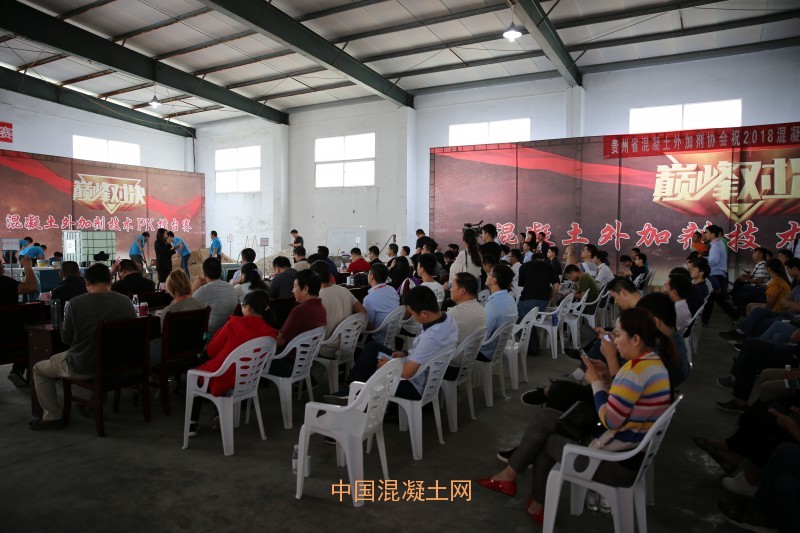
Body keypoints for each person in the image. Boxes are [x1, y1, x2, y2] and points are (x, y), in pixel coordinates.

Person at [478, 307, 674, 523]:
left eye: (618, 335)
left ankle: (529, 495)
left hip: (614, 465)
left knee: (546, 439)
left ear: (635, 339)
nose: (614, 341)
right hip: (629, 454)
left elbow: (610, 420)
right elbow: (624, 402)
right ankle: (516, 483)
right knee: (545, 418)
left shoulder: (634, 373)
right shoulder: (652, 364)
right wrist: (607, 378)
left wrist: (596, 382)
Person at [30, 264, 136, 430]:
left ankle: (52, 416)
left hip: (83, 365)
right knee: (83, 353)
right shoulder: (125, 302)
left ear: (86, 282)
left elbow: (66, 338)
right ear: (110, 280)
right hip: (117, 364)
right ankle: (93, 402)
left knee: (38, 369)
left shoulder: (75, 304)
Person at [325, 285, 458, 403]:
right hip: (420, 370)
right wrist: (405, 353)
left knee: (373, 368)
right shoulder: (447, 320)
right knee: (372, 348)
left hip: (412, 384)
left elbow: (406, 373)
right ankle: (352, 390)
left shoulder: (431, 337)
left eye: (413, 314)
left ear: (424, 313)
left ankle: (354, 393)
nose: (413, 317)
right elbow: (426, 352)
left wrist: (387, 365)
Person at [186, 290, 278, 436]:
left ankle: (192, 423)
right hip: (249, 379)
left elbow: (211, 350)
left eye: (243, 304)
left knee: (196, 374)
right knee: (217, 368)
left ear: (249, 308)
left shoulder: (234, 324)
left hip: (223, 377)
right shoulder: (271, 333)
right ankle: (219, 414)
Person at [268, 270, 327, 377]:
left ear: (305, 289)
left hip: (290, 363)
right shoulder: (321, 308)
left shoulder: (300, 310)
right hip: (307, 361)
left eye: (295, 286)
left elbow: (280, 341)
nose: (292, 290)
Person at [311, 261, 366, 356]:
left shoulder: (317, 298)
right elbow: (363, 312)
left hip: (327, 348)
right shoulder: (344, 290)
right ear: (330, 275)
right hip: (348, 344)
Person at [2, 255, 40, 386]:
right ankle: (17, 369)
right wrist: (27, 266)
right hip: (12, 340)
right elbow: (32, 287)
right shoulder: (4, 283)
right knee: (32, 336)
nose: (3, 267)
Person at [445, 272, 486, 378]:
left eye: (452, 286)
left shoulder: (455, 313)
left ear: (462, 291)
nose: (450, 289)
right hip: (468, 361)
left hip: (451, 364)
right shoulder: (481, 309)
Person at [517, 252, 560, 355]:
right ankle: (534, 346)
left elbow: (522, 286)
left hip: (527, 299)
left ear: (532, 259)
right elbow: (556, 287)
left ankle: (530, 348)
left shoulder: (524, 266)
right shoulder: (549, 266)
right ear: (542, 259)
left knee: (520, 321)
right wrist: (549, 298)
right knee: (530, 321)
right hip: (543, 301)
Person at [478, 264, 517, 361]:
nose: (487, 275)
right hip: (497, 349)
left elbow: (484, 335)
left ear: (494, 280)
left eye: (490, 274)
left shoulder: (493, 304)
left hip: (485, 352)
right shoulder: (510, 298)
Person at [191, 257, 238, 334]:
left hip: (211, 333)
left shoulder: (203, 290)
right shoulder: (231, 287)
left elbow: (190, 303)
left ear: (204, 274)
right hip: (229, 329)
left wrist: (195, 288)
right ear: (221, 272)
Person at [362, 263, 399, 345]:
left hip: (378, 337)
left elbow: (369, 326)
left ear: (372, 277)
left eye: (368, 274)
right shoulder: (392, 290)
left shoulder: (369, 299)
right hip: (392, 333)